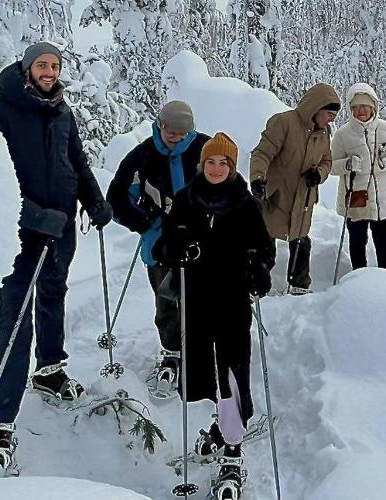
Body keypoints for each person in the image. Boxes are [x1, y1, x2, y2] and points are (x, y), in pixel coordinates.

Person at [0, 42, 113, 472]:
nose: (50, 72)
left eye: (55, 66)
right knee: (16, 315)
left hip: (61, 233)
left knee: (53, 295)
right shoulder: (0, 113)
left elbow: (76, 161)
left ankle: (50, 369)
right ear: (26, 69)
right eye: (42, 65)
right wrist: (37, 217)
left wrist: (94, 200)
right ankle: (2, 420)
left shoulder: (61, 111)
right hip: (20, 236)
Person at [153, 133, 275, 498]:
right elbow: (165, 246)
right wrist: (177, 247)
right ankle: (221, 429)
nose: (217, 169)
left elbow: (264, 246)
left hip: (233, 299)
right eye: (211, 162)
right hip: (198, 300)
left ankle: (233, 448)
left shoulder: (244, 203)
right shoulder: (187, 200)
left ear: (233, 167)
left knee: (232, 369)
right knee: (204, 373)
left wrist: (259, 268)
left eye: (224, 163)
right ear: (201, 165)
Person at [106, 100, 209, 399]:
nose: (176, 137)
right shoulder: (142, 156)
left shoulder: (205, 148)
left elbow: (227, 185)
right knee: (166, 301)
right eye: (170, 131)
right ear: (160, 125)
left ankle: (200, 352)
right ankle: (172, 354)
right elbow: (116, 198)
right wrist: (144, 223)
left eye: (182, 132)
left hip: (198, 240)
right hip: (159, 242)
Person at [249, 84, 341, 294]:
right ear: (315, 108)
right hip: (275, 194)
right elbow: (262, 153)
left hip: (303, 197)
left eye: (334, 115)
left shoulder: (324, 132)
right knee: (265, 243)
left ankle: (299, 284)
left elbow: (327, 160)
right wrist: (257, 178)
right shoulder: (284, 123)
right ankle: (256, 285)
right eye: (328, 114)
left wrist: (319, 174)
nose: (331, 119)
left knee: (301, 240)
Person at [330, 83, 386, 272]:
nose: (361, 111)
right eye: (355, 107)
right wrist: (347, 165)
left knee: (383, 244)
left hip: (383, 199)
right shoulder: (342, 134)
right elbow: (331, 166)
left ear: (374, 106)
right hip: (356, 199)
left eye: (364, 106)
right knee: (357, 243)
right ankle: (359, 279)